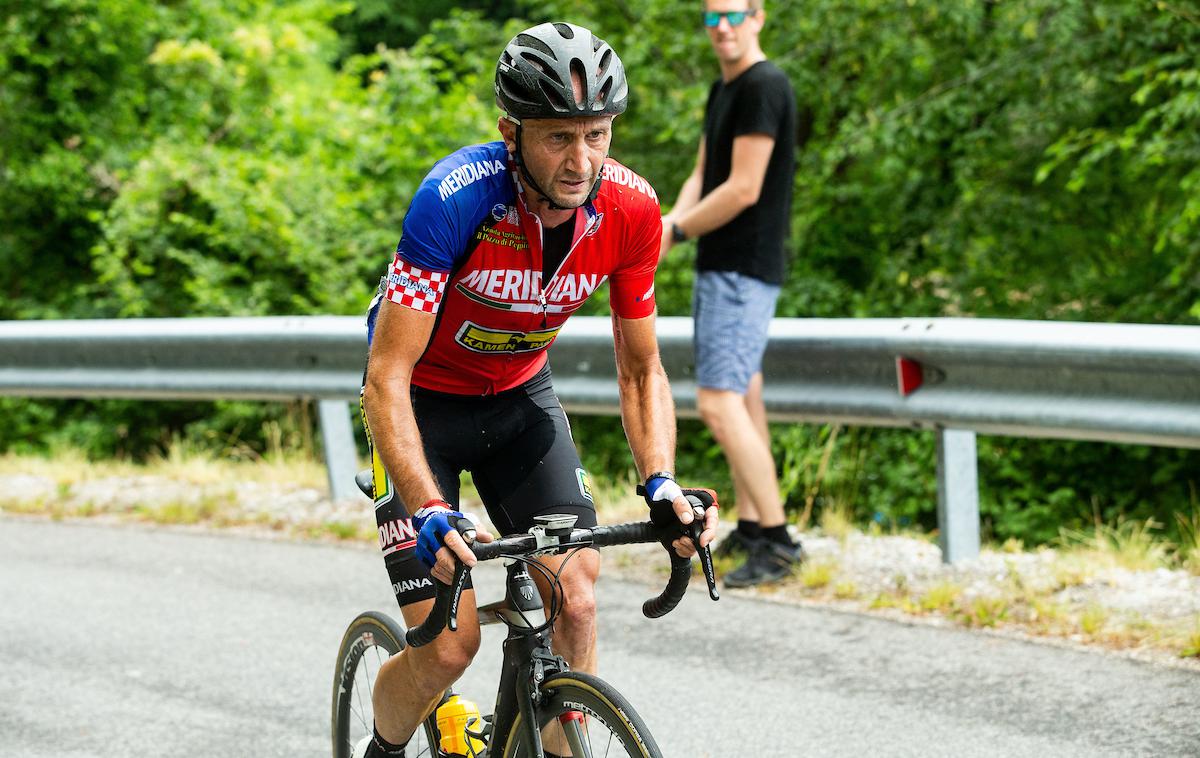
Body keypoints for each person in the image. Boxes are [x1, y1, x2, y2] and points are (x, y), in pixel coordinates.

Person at [356, 21, 720, 758]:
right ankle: (383, 748)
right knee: (449, 647)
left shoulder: (632, 211)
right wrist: (428, 506)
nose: (579, 159)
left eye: (596, 134)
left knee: (576, 600)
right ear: (510, 131)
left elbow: (641, 368)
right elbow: (385, 377)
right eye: (557, 137)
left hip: (521, 402)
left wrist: (662, 483)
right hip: (422, 406)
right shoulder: (453, 198)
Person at [658, 0, 800, 589]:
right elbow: (704, 173)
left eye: (733, 16)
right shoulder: (727, 89)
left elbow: (743, 188)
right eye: (712, 18)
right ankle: (753, 522)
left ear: (758, 17)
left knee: (718, 402)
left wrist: (679, 229)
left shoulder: (764, 86)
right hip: (726, 265)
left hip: (742, 268)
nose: (722, 29)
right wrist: (669, 220)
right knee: (745, 395)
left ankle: (777, 539)